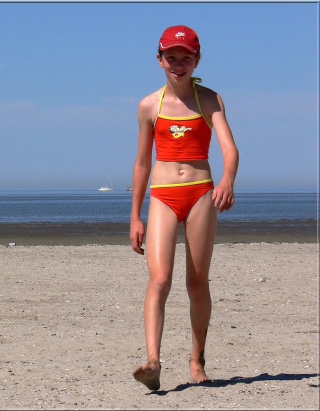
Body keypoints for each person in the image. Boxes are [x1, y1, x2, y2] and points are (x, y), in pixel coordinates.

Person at [129, 25, 239, 391]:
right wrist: (135, 215)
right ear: (159, 59)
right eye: (171, 57)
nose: (178, 64)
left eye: (185, 58)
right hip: (162, 195)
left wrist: (226, 181)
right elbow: (142, 162)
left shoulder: (209, 100)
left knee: (196, 282)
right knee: (159, 278)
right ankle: (153, 362)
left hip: (200, 194)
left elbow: (229, 148)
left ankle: (197, 360)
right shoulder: (149, 105)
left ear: (197, 60)